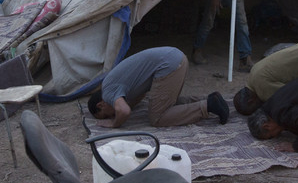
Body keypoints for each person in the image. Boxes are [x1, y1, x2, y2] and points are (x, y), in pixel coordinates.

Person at [88, 46, 229, 128]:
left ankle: (208, 106)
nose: (113, 114)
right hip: (175, 58)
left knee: (158, 118)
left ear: (101, 104)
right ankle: (211, 99)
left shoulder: (107, 92)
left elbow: (124, 111)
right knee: (166, 104)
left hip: (168, 65)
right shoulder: (111, 84)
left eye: (107, 114)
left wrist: (114, 123)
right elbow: (139, 95)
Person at [232, 39, 298, 116]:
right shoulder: (253, 74)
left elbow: (287, 98)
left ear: (251, 101)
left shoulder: (261, 87)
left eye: (253, 109)